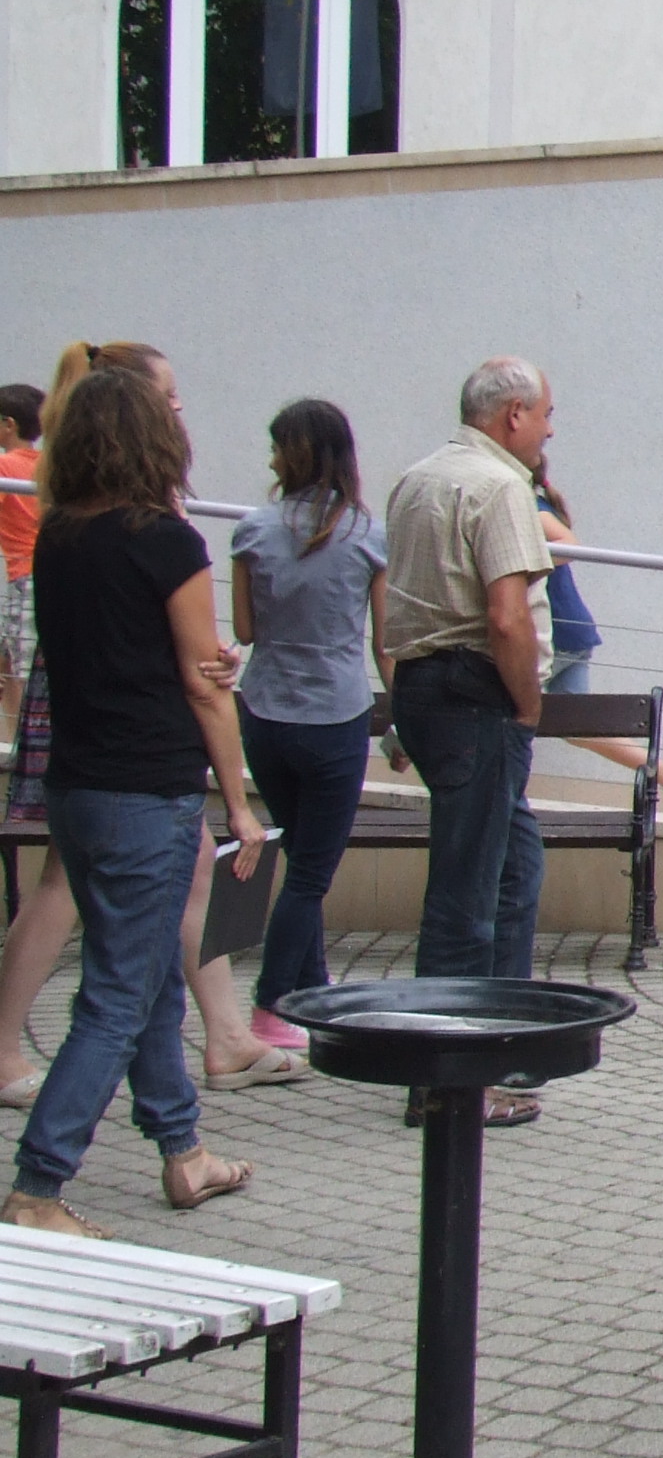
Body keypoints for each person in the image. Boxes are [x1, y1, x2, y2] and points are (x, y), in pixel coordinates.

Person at [4, 359, 265, 1236]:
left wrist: (200, 664)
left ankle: (183, 1151)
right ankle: (37, 1189)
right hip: (147, 790)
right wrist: (239, 803)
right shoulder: (167, 543)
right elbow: (202, 683)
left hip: (76, 786)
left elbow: (131, 650)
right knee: (116, 997)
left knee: (148, 977)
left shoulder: (57, 537)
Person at [382, 357, 556, 1124]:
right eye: (546, 414)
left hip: (426, 687)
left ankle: (500, 1047)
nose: (549, 430)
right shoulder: (499, 486)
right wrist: (526, 705)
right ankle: (447, 1082)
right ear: (514, 413)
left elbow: (389, 600)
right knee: (467, 895)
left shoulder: (418, 478)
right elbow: (507, 617)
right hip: (474, 694)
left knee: (513, 866)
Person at [231, 398, 383, 1054]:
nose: (269, 460)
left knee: (301, 860)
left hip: (264, 712)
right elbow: (385, 643)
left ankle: (313, 992)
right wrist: (401, 723)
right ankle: (270, 1007)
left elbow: (244, 631)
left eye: (275, 448)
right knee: (310, 875)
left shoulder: (251, 531)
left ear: (292, 454)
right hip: (335, 716)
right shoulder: (367, 535)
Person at [529, 469, 663, 809]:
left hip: (556, 634)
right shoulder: (536, 504)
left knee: (506, 704)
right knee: (577, 728)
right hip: (571, 632)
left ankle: (498, 792)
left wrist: (522, 564)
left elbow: (569, 545)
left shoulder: (530, 508)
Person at [0, 381, 41, 762]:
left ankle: (15, 747)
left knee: (20, 665)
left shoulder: (5, 467)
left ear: (9, 424)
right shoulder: (47, 465)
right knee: (11, 660)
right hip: (43, 572)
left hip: (23, 575)